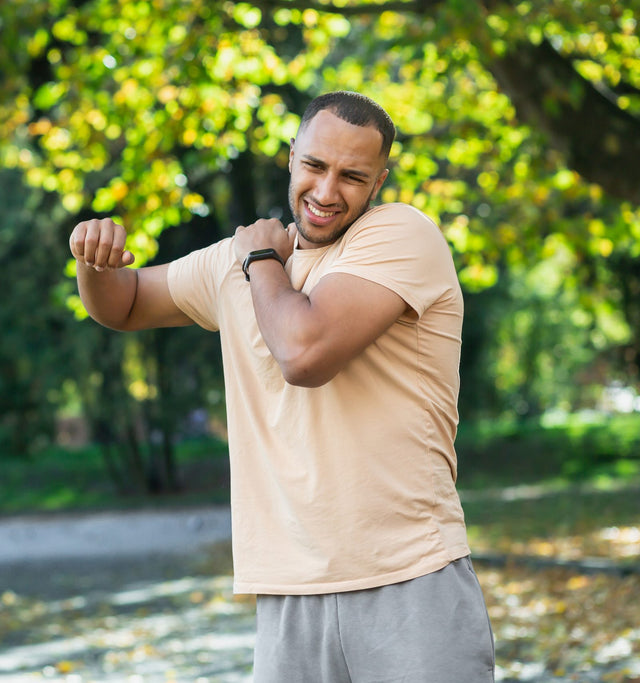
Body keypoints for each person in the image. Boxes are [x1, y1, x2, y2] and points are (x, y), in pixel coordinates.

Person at [69, 90, 495, 682]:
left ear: (379, 182)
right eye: (315, 166)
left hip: (409, 582)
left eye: (353, 176)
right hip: (289, 592)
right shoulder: (236, 261)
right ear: (290, 156)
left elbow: (304, 351)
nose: (326, 192)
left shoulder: (400, 236)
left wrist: (262, 260)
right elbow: (127, 302)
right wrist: (94, 262)